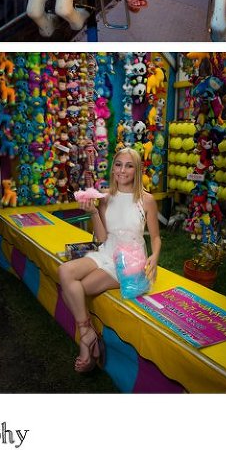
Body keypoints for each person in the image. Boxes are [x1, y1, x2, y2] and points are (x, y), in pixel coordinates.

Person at [58, 147, 160, 373]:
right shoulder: (105, 197)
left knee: (77, 290)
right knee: (65, 272)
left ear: (137, 170)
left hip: (129, 261)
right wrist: (93, 212)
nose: (122, 170)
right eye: (118, 165)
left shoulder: (147, 200)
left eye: (129, 165)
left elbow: (155, 237)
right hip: (107, 250)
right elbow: (103, 237)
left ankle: (86, 343)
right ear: (113, 168)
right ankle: (88, 333)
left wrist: (154, 256)